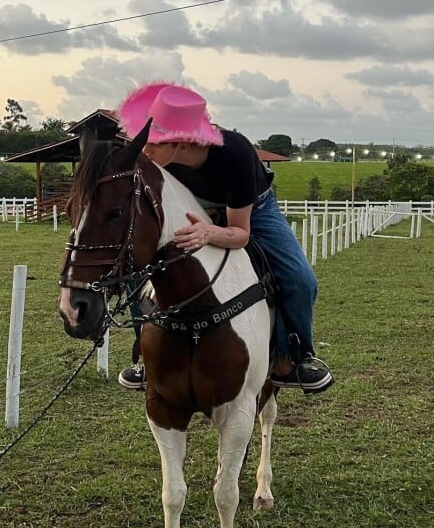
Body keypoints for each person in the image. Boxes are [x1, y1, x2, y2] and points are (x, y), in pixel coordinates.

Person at [115, 82, 334, 394]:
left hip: (252, 209)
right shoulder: (154, 161)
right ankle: (147, 358)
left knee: (301, 280)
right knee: (136, 268)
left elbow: (240, 233)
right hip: (191, 208)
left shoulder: (235, 154)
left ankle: (291, 359)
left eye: (154, 143)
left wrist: (208, 231)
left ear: (182, 144)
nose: (145, 150)